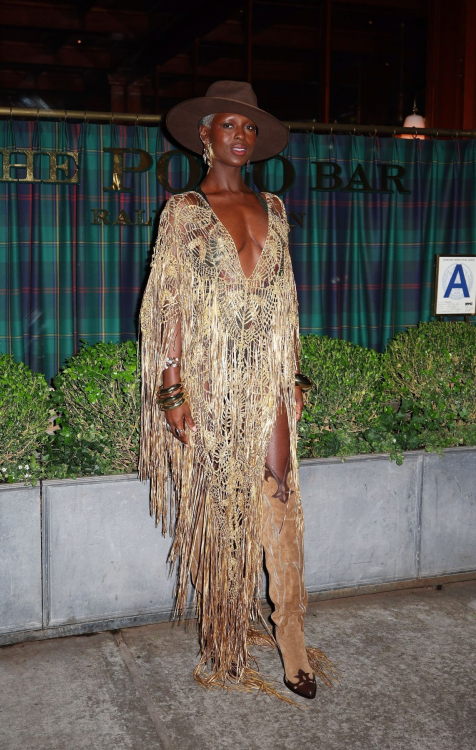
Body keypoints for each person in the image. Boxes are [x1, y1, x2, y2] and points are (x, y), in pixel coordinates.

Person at [139, 80, 336, 703]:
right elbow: (167, 301)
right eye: (230, 126)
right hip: (210, 378)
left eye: (249, 129)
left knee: (280, 490)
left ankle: (293, 641)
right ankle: (223, 638)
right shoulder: (184, 212)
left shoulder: (273, 208)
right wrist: (171, 387)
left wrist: (294, 374)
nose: (241, 137)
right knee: (222, 509)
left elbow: (286, 301)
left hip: (267, 375)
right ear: (205, 135)